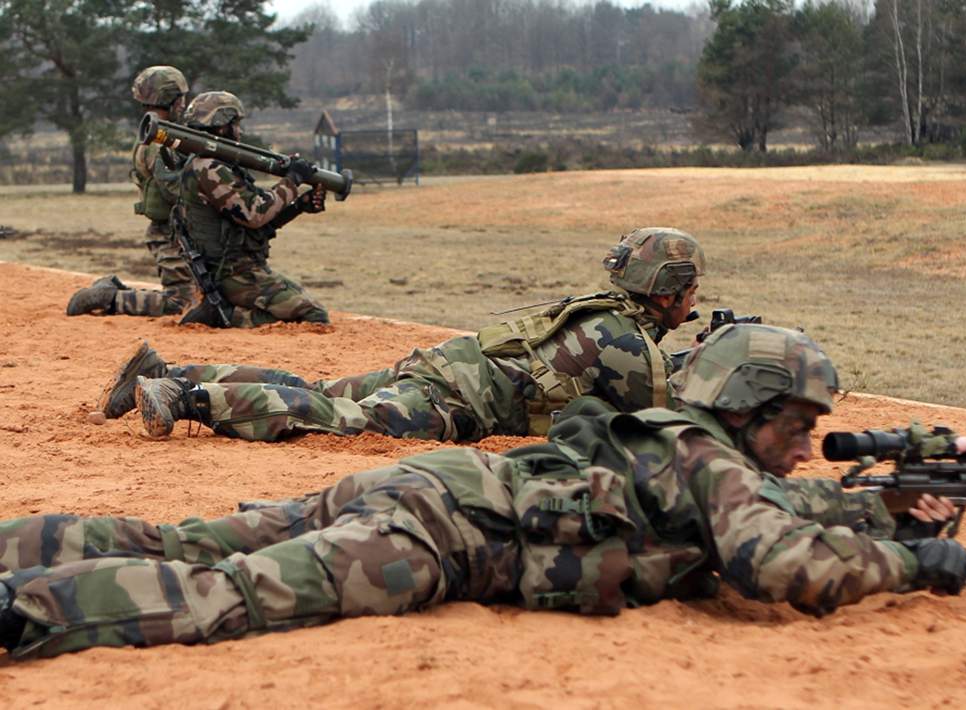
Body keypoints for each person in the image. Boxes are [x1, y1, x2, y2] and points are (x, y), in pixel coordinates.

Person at [0, 324, 966, 660]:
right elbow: (777, 561)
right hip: (432, 535)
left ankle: (18, 547)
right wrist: (912, 560)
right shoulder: (716, 460)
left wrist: (883, 506)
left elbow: (763, 518)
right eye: (798, 423)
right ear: (748, 405)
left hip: (417, 485)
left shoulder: (683, 446)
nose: (808, 446)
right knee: (235, 594)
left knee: (192, 542)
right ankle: (27, 610)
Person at [98, 227, 706, 442]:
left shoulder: (602, 314)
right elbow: (665, 422)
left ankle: (167, 371)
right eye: (692, 288)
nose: (695, 300)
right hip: (452, 401)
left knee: (319, 388)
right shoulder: (630, 345)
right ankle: (188, 399)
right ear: (668, 287)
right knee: (333, 416)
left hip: (445, 365)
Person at [169, 90, 330, 328]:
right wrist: (293, 181)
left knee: (302, 301)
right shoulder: (209, 168)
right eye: (236, 124)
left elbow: (256, 223)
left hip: (240, 270)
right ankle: (232, 317)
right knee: (313, 313)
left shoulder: (213, 164)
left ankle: (228, 312)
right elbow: (254, 214)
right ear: (222, 126)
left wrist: (298, 206)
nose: (239, 131)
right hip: (233, 275)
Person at [66, 66, 197, 318]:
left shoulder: (157, 133)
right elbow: (175, 191)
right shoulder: (159, 142)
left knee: (197, 296)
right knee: (183, 304)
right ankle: (110, 299)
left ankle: (112, 290)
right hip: (171, 235)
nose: (184, 104)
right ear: (170, 99)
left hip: (175, 232)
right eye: (180, 98)